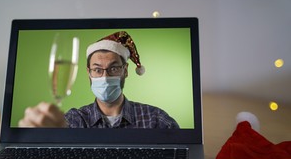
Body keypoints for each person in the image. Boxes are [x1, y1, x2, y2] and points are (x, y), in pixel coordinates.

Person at [18, 31, 179, 129]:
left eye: (114, 68)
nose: (105, 76)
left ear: (126, 70)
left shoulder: (156, 119)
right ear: (89, 73)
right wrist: (35, 136)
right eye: (97, 69)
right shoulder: (73, 121)